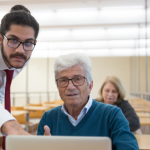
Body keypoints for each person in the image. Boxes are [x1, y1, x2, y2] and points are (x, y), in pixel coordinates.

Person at [37, 53, 139, 150]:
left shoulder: (112, 115)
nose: (70, 86)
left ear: (90, 86)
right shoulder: (48, 118)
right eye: (63, 80)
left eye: (77, 79)